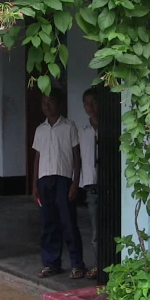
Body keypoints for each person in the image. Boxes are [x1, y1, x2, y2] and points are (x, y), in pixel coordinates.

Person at [32, 87, 86, 279]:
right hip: (44, 181)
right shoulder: (40, 129)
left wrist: (75, 183)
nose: (47, 105)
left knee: (68, 223)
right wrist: (34, 185)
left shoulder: (69, 127)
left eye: (51, 101)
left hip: (64, 180)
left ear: (59, 103)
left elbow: (76, 157)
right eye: (44, 102)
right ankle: (51, 263)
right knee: (48, 224)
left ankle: (77, 264)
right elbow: (37, 159)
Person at [79, 87, 100, 280]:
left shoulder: (109, 129)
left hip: (107, 185)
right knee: (95, 229)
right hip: (90, 185)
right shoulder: (83, 133)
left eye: (94, 102)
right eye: (87, 103)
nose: (90, 107)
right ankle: (98, 264)